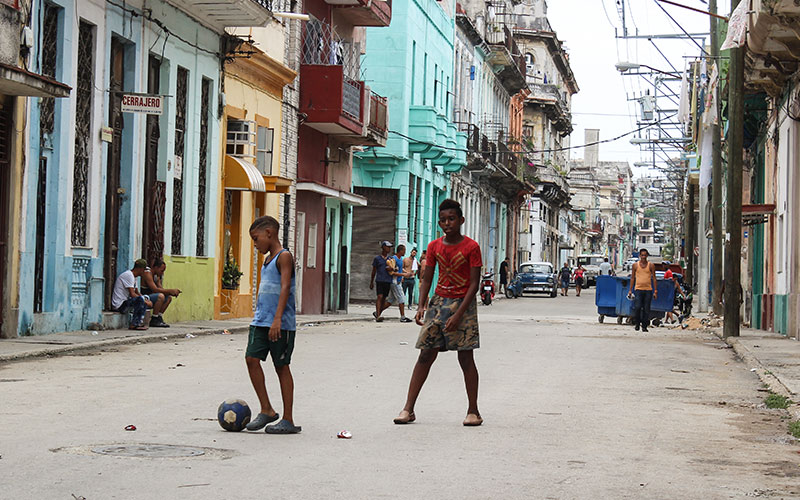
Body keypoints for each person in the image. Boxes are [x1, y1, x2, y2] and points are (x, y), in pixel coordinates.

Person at [393, 199, 483, 427]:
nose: (447, 223)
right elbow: (427, 277)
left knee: (465, 357)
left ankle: (473, 411)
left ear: (461, 220)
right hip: (439, 302)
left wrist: (458, 314)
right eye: (443, 220)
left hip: (463, 304)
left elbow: (474, 284)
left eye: (451, 219)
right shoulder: (434, 247)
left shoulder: (471, 247)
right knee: (425, 355)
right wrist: (422, 305)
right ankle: (408, 409)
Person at [244, 215, 301, 434]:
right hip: (260, 321)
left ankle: (288, 418)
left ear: (269, 233)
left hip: (281, 324)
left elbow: (285, 287)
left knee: (281, 366)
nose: (255, 244)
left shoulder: (283, 256)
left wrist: (277, 319)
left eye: (256, 238)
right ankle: (266, 409)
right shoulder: (266, 260)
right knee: (251, 359)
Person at [110, 259, 155, 330]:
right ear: (140, 269)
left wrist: (146, 299)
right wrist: (144, 300)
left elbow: (137, 292)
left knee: (144, 297)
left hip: (126, 302)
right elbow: (132, 294)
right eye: (143, 269)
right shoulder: (129, 275)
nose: (144, 272)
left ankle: (140, 322)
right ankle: (134, 324)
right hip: (119, 305)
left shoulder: (134, 277)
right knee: (140, 300)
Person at [141, 258, 182, 328]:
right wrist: (170, 291)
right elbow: (155, 289)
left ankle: (158, 317)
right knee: (160, 296)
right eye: (161, 270)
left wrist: (170, 292)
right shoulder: (147, 274)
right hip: (144, 297)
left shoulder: (156, 276)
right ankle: (154, 318)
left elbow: (161, 289)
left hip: (151, 297)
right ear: (156, 268)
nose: (162, 273)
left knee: (168, 297)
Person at [628, 248, 658, 332]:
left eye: (645, 255)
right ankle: (637, 323)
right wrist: (630, 290)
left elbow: (654, 279)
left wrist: (655, 291)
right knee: (637, 307)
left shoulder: (651, 265)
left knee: (646, 309)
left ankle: (644, 326)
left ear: (647, 255)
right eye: (642, 255)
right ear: (640, 256)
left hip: (648, 290)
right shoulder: (635, 265)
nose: (643, 257)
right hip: (638, 289)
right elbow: (632, 278)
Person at [370, 241, 394, 322]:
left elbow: (395, 269)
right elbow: (374, 271)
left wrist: (393, 269)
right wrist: (371, 282)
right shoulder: (377, 259)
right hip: (380, 280)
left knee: (384, 298)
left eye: (390, 247)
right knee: (379, 296)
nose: (389, 249)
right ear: (383, 247)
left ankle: (378, 313)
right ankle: (378, 316)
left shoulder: (390, 259)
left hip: (387, 280)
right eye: (387, 247)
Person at [388, 245, 413, 322]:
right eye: (404, 250)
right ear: (400, 251)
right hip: (394, 281)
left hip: (398, 281)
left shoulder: (401, 259)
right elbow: (392, 272)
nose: (405, 252)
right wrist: (403, 275)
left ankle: (378, 312)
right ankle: (403, 317)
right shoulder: (393, 259)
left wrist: (403, 275)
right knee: (402, 299)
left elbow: (400, 270)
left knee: (390, 301)